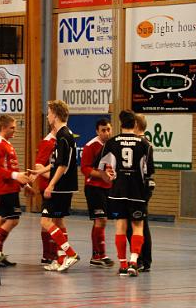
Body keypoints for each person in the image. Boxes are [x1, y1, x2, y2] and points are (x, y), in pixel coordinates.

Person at [98, 109, 155, 277]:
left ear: (120, 123)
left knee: (120, 227)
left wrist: (108, 178)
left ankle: (122, 265)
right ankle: (134, 262)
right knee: (138, 226)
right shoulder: (145, 144)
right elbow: (149, 172)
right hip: (137, 192)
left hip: (117, 191)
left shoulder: (112, 142)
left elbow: (101, 168)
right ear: (135, 124)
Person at [29, 100, 80, 272]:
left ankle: (70, 253)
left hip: (60, 186)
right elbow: (56, 163)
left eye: (49, 113)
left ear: (56, 115)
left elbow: (62, 165)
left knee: (45, 221)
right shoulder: (65, 134)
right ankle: (60, 259)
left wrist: (50, 184)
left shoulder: (63, 136)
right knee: (58, 221)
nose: (48, 116)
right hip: (66, 186)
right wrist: (39, 172)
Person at [0, 114, 31, 267]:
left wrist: (25, 185)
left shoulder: (7, 143)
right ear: (3, 128)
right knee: (13, 219)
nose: (15, 130)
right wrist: (16, 176)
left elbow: (14, 168)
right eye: (12, 128)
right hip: (3, 189)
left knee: (2, 219)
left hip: (11, 188)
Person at [80, 118, 114, 268]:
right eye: (103, 130)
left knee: (102, 221)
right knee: (101, 220)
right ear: (97, 131)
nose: (106, 133)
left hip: (107, 187)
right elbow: (85, 168)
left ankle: (100, 255)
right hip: (94, 187)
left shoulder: (112, 146)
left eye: (108, 129)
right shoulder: (91, 146)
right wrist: (101, 175)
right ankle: (97, 255)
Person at [127, 113, 154, 272]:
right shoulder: (142, 143)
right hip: (139, 187)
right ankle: (141, 258)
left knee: (138, 224)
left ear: (136, 125)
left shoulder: (143, 143)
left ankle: (142, 259)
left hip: (140, 188)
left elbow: (148, 170)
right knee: (138, 224)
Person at [33, 127, 58, 265]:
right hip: (48, 187)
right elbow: (38, 166)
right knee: (50, 220)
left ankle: (48, 254)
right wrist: (53, 180)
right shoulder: (48, 142)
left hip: (51, 186)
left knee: (50, 220)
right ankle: (51, 253)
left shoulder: (56, 141)